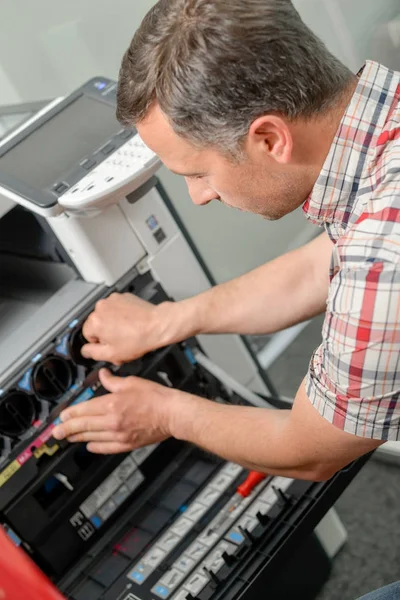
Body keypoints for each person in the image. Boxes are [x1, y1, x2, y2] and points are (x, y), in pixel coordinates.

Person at [52, 1, 400, 597]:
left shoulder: (382, 256)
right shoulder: (380, 147)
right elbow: (325, 265)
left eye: (199, 172)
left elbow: (309, 449)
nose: (198, 197)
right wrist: (169, 320)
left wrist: (163, 413)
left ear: (269, 137)